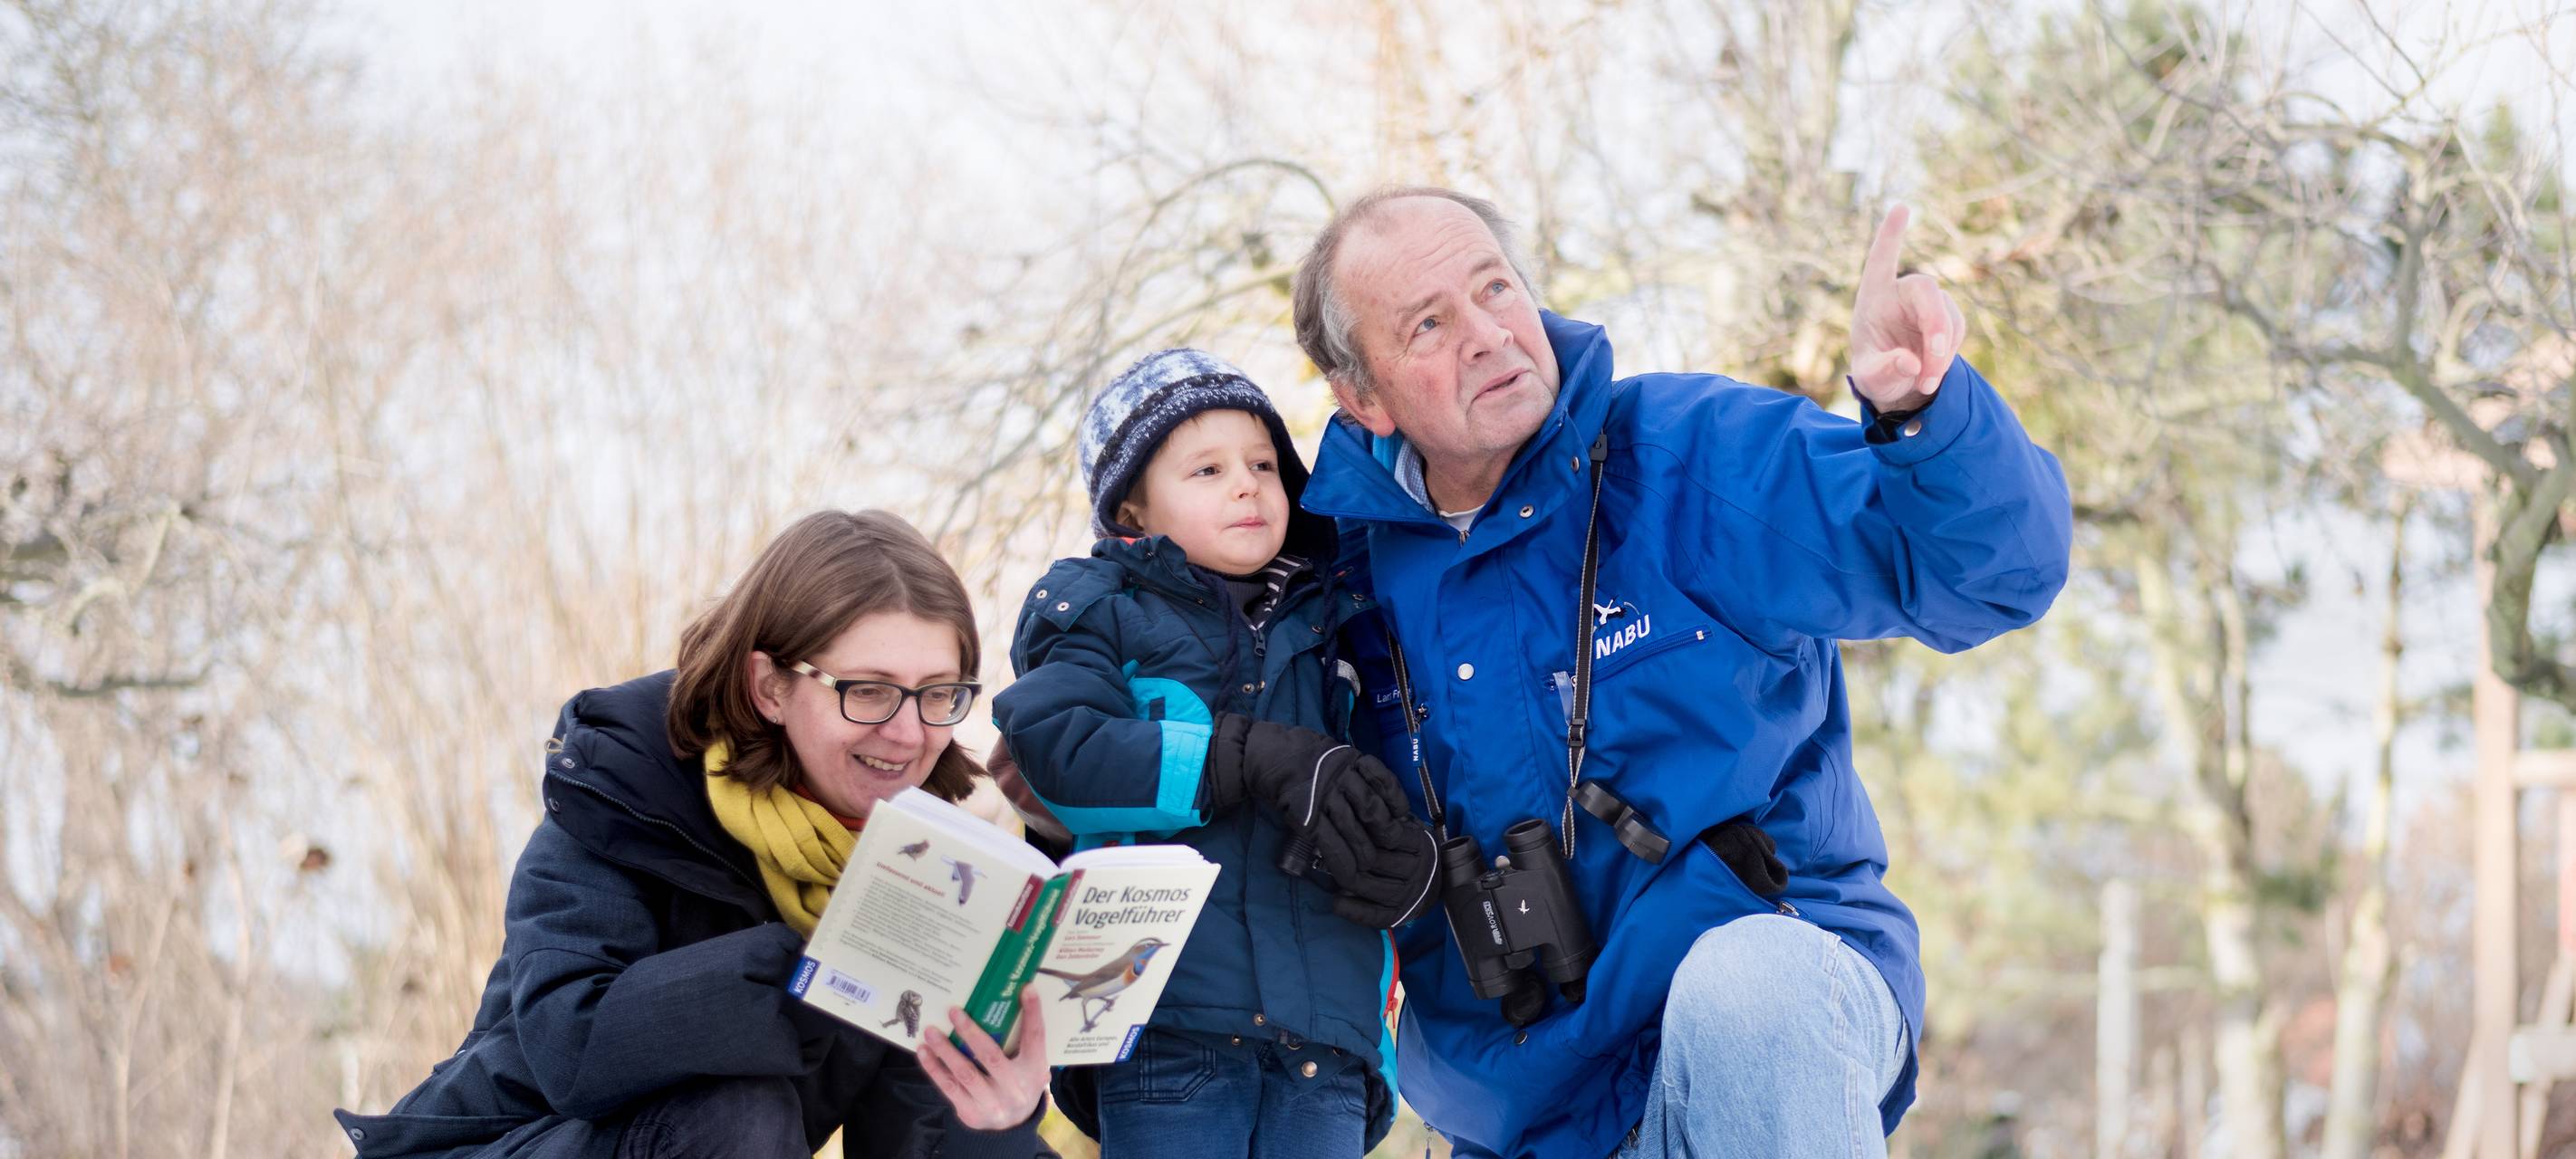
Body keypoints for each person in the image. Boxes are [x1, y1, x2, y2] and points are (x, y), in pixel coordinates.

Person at [1286, 187, 2075, 1158]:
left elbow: (1992, 574)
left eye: (1497, 288)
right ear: (1362, 395)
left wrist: (1921, 412)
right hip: (1526, 1118)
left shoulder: (1687, 457)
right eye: (1431, 324)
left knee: (1745, 982)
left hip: (1768, 1022)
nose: (1489, 334)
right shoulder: (1331, 590)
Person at [332, 510, 1055, 1159]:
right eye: (867, 690)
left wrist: (994, 1119)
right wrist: (811, 963)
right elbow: (571, 1046)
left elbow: (904, 1144)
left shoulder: (921, 873)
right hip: (513, 1145)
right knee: (738, 1111)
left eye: (938, 693)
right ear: (770, 687)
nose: (907, 731)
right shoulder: (626, 798)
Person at [992, 350, 1438, 1158]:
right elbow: (1061, 747)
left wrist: (1411, 858)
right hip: (1166, 1022)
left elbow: (1402, 766)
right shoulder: (1103, 610)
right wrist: (1242, 756)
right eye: (1207, 469)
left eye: (1264, 463)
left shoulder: (1339, 617)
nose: (1247, 485)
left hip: (1326, 1038)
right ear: (1133, 510)